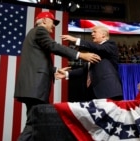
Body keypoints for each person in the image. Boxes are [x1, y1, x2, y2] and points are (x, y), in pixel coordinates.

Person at [14, 11, 101, 141]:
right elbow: (53, 46)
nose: (53, 26)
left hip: (33, 87)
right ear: (44, 21)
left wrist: (55, 69)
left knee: (37, 123)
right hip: (35, 87)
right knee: (34, 123)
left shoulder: (34, 34)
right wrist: (80, 55)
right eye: (52, 22)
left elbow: (37, 60)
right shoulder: (40, 31)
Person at [60, 25, 123, 100]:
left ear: (103, 35)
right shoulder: (94, 51)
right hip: (94, 93)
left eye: (94, 32)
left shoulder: (110, 45)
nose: (92, 34)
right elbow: (85, 70)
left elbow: (99, 48)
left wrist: (77, 40)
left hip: (109, 91)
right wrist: (67, 74)